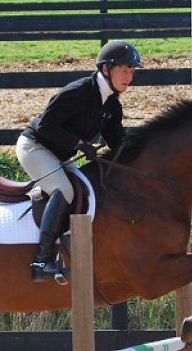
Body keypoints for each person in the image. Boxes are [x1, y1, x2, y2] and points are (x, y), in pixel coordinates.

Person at [17, 40, 141, 282]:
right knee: (64, 190)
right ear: (106, 69)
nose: (129, 76)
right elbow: (45, 126)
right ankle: (42, 260)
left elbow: (118, 140)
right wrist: (80, 145)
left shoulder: (112, 105)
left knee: (85, 190)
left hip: (59, 154)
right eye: (124, 70)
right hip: (35, 146)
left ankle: (68, 248)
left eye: (132, 71)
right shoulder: (78, 92)